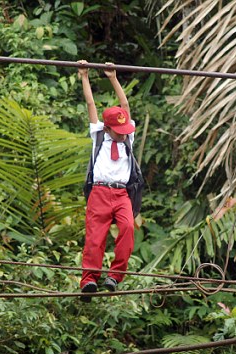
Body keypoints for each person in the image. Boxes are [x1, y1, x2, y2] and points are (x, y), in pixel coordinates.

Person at [78, 60, 136, 302]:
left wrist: (113, 77)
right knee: (95, 237)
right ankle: (89, 280)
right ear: (108, 128)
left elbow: (124, 105)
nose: (123, 136)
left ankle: (115, 276)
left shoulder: (128, 136)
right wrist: (84, 76)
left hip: (121, 194)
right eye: (118, 132)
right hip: (100, 193)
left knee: (128, 228)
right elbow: (90, 103)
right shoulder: (99, 134)